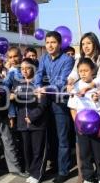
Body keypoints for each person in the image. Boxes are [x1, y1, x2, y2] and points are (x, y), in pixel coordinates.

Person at [35, 31, 74, 183]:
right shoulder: (44, 57)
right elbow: (39, 74)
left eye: (53, 42)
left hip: (60, 102)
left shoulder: (67, 60)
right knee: (51, 137)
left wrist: (45, 89)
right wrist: (38, 86)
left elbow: (62, 82)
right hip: (46, 102)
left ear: (60, 44)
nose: (50, 45)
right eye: (47, 42)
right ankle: (56, 165)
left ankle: (64, 171)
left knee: (62, 138)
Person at [68, 58, 100, 183]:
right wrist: (78, 125)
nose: (83, 73)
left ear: (93, 71)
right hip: (81, 127)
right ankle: (88, 177)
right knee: (84, 153)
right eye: (80, 71)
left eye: (86, 70)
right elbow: (72, 108)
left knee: (99, 152)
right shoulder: (75, 87)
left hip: (97, 125)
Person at [13, 58, 48, 183]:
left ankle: (37, 174)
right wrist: (13, 97)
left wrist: (32, 116)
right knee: (27, 150)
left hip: (37, 124)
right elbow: (16, 102)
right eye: (22, 69)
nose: (25, 71)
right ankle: (31, 171)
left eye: (27, 68)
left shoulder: (39, 83)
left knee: (38, 150)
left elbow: (43, 104)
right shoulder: (18, 84)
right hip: (23, 124)